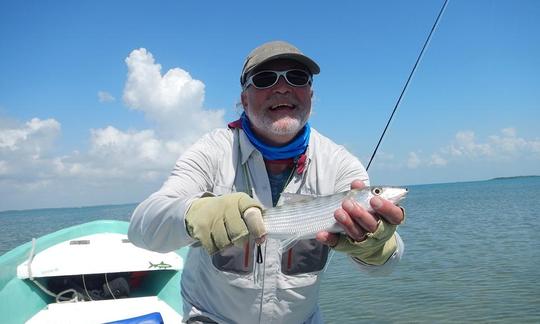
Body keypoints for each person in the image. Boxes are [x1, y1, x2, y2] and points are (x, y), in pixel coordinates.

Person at [128, 40, 405, 324]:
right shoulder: (212, 152)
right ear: (244, 99)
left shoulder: (341, 166)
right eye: (264, 79)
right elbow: (142, 228)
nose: (282, 88)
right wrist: (195, 214)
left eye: (296, 78)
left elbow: (386, 266)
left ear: (310, 93)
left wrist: (376, 246)